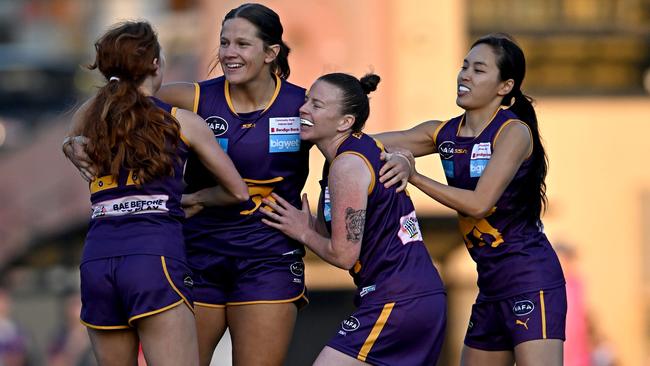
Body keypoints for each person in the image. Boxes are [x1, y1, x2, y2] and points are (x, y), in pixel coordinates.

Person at [63, 4, 309, 365]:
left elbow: (349, 145)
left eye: (242, 44)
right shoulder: (195, 98)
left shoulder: (300, 104)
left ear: (271, 53)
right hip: (199, 253)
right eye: (224, 42)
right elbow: (121, 95)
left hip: (266, 256)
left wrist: (319, 227)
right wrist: (69, 141)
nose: (229, 53)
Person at [376, 33, 566, 366]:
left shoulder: (513, 132)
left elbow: (479, 204)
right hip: (490, 288)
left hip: (531, 281)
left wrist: (415, 175)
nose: (464, 75)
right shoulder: (444, 133)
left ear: (504, 87)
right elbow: (369, 146)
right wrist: (325, 129)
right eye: (464, 66)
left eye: (479, 70)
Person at [261, 73, 447, 366]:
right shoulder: (348, 154)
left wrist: (303, 232)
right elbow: (343, 231)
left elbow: (345, 254)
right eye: (307, 99)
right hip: (416, 295)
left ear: (345, 122)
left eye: (317, 105)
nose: (303, 109)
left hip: (397, 298)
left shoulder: (346, 164)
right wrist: (310, 224)